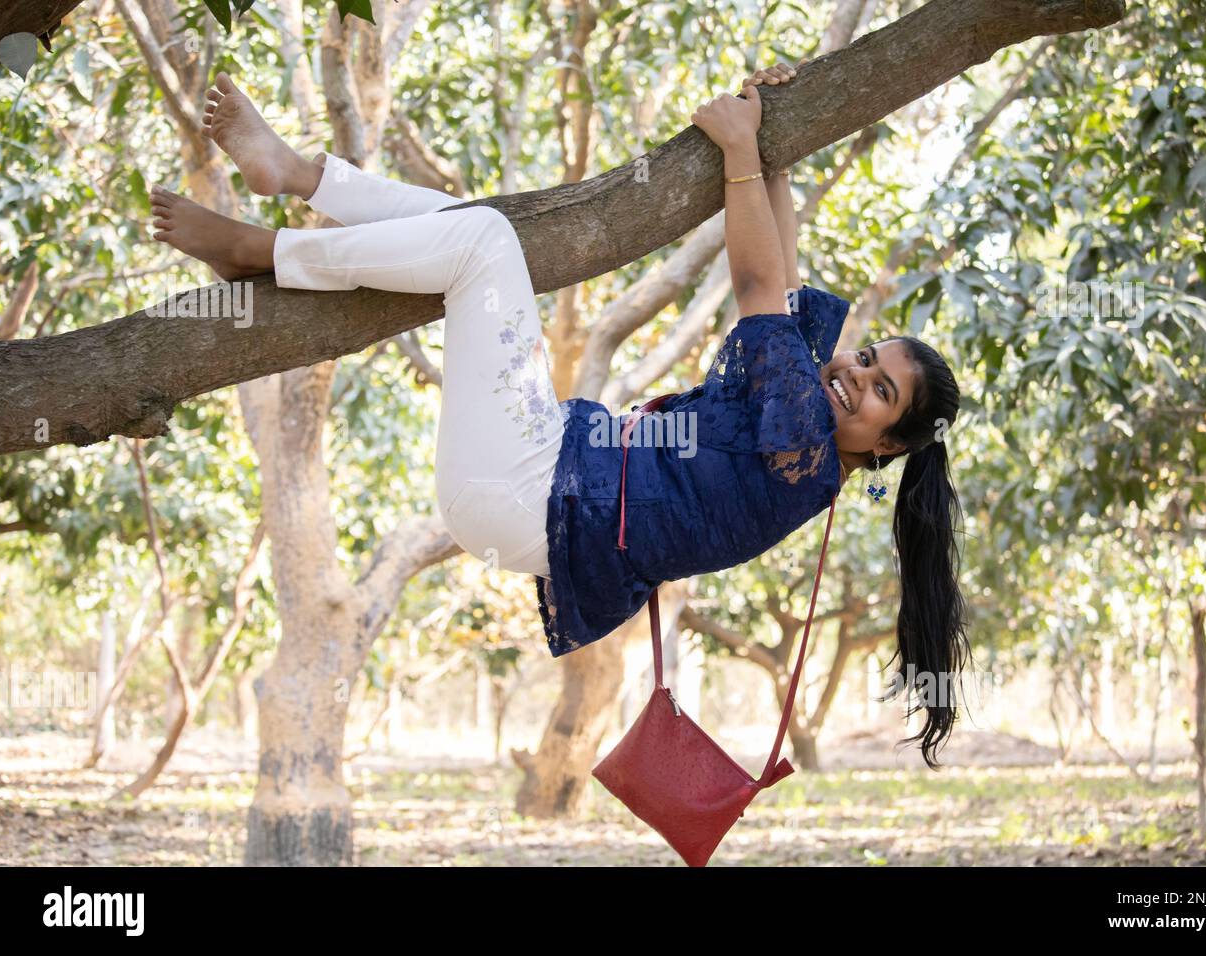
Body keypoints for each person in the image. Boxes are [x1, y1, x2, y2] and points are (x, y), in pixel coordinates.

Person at [151, 65, 970, 767]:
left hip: (524, 489)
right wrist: (773, 129)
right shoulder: (801, 427)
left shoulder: (804, 449)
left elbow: (758, 288)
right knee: (483, 236)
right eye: (868, 359)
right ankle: (297, 175)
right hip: (541, 469)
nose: (856, 377)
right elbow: (784, 287)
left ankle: (264, 250)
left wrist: (738, 151)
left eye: (881, 392)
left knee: (484, 243)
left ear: (888, 444)